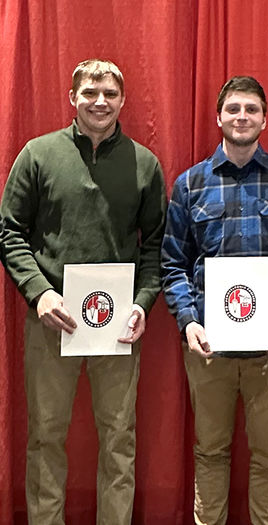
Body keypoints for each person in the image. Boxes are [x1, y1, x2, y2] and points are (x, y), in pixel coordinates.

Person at [0, 58, 166, 525]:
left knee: (119, 437)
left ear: (123, 101)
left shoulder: (144, 163)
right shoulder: (38, 154)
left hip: (116, 326)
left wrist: (142, 303)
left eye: (110, 94)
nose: (100, 102)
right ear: (72, 98)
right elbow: (9, 231)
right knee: (46, 436)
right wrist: (38, 293)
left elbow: (154, 246)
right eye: (90, 93)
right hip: (52, 317)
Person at [161, 75, 268, 525]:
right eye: (233, 109)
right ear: (218, 117)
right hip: (209, 348)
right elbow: (173, 264)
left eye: (251, 109)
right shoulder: (190, 184)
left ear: (265, 119)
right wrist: (188, 321)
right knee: (210, 451)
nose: (242, 117)